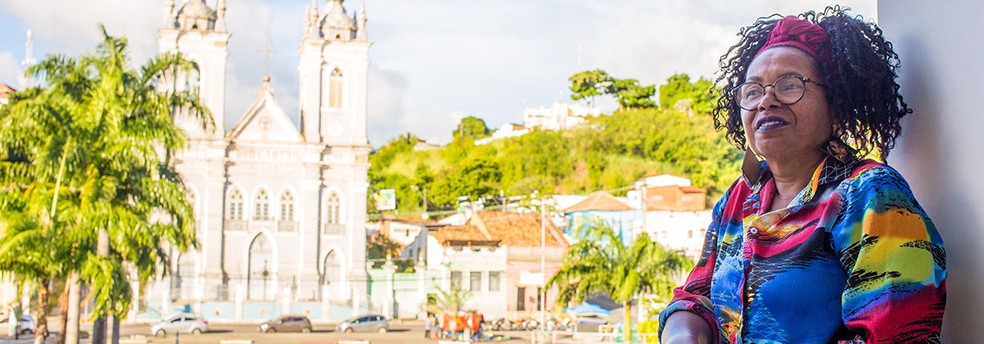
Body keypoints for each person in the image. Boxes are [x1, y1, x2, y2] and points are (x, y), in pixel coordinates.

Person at [658, 7, 946, 344]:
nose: (766, 100)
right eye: (752, 91)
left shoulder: (871, 195)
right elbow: (695, 294)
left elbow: (896, 334)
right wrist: (682, 331)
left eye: (789, 85)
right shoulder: (738, 199)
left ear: (836, 106)